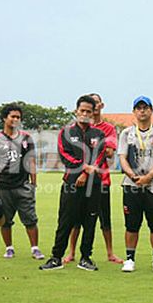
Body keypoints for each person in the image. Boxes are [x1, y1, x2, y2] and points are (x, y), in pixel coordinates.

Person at [40, 95, 106, 271]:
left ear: (93, 113)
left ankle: (86, 257)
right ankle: (56, 257)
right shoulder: (66, 132)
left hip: (93, 183)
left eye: (88, 111)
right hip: (71, 182)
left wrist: (86, 172)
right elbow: (65, 155)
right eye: (82, 110)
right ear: (76, 111)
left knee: (90, 222)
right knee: (65, 220)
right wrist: (83, 167)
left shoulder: (98, 134)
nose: (84, 114)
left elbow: (99, 156)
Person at [64, 93, 122, 264]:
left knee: (105, 218)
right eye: (91, 104)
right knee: (76, 219)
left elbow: (109, 153)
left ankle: (110, 253)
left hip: (100, 179)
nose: (94, 107)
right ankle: (72, 252)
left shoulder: (108, 129)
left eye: (96, 103)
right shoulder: (76, 129)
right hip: (80, 178)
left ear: (101, 105)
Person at [118, 96, 153, 273]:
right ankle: (129, 259)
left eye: (145, 107)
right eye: (139, 108)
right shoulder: (127, 133)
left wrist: (148, 177)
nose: (142, 111)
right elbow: (122, 158)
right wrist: (133, 176)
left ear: (151, 110)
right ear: (134, 111)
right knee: (131, 224)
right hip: (131, 184)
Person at [0, 103, 44, 260]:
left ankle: (35, 248)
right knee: (5, 220)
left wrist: (33, 183)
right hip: (3, 186)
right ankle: (9, 248)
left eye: (18, 117)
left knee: (30, 218)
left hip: (23, 185)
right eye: (13, 116)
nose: (16, 119)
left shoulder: (26, 138)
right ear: (5, 118)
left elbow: (31, 161)